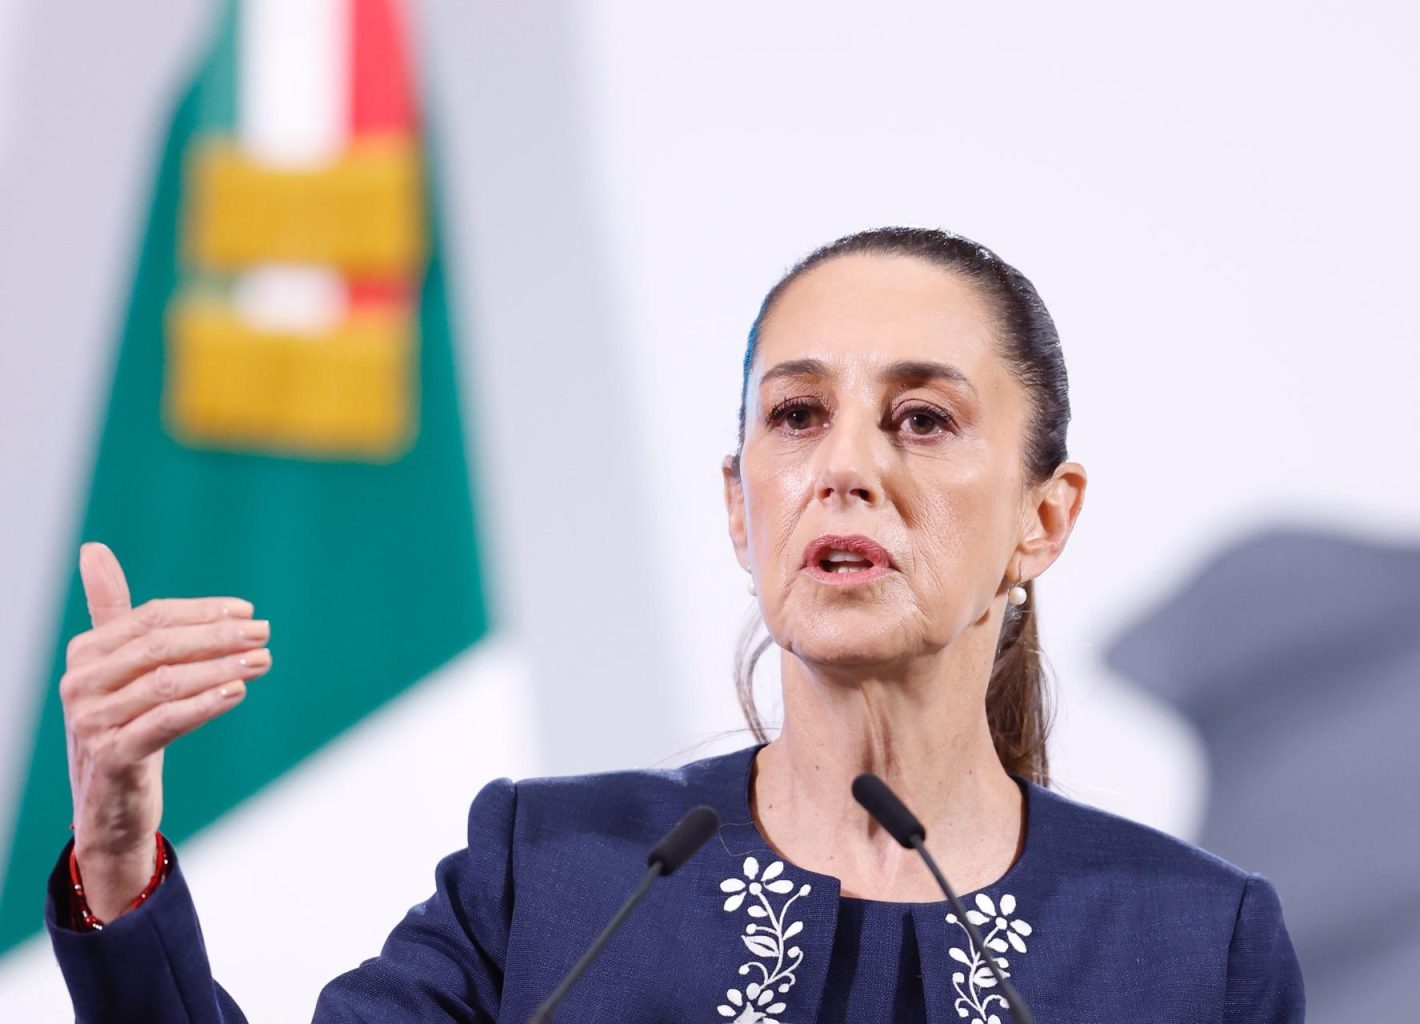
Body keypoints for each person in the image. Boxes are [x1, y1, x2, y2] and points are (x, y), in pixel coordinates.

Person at [47, 227, 1305, 1022]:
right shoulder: (558, 873)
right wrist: (116, 860)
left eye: (923, 419)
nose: (846, 467)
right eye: (797, 416)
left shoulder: (1192, 941)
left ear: (1045, 515)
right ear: (739, 504)